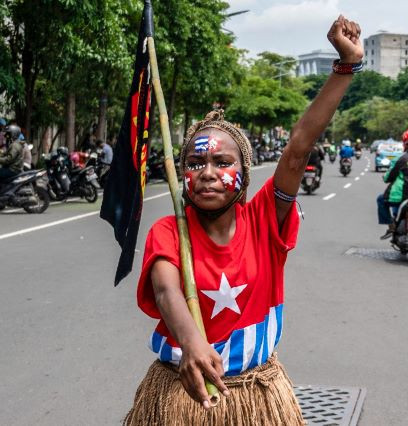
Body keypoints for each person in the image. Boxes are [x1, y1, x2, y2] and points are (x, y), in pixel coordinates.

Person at [123, 14, 363, 426]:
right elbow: (166, 290)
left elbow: (297, 148)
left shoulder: (265, 219)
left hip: (256, 394)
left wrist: (345, 67)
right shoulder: (169, 231)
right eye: (196, 163)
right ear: (184, 175)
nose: (209, 172)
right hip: (179, 397)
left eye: (222, 161)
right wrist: (192, 342)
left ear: (244, 174)